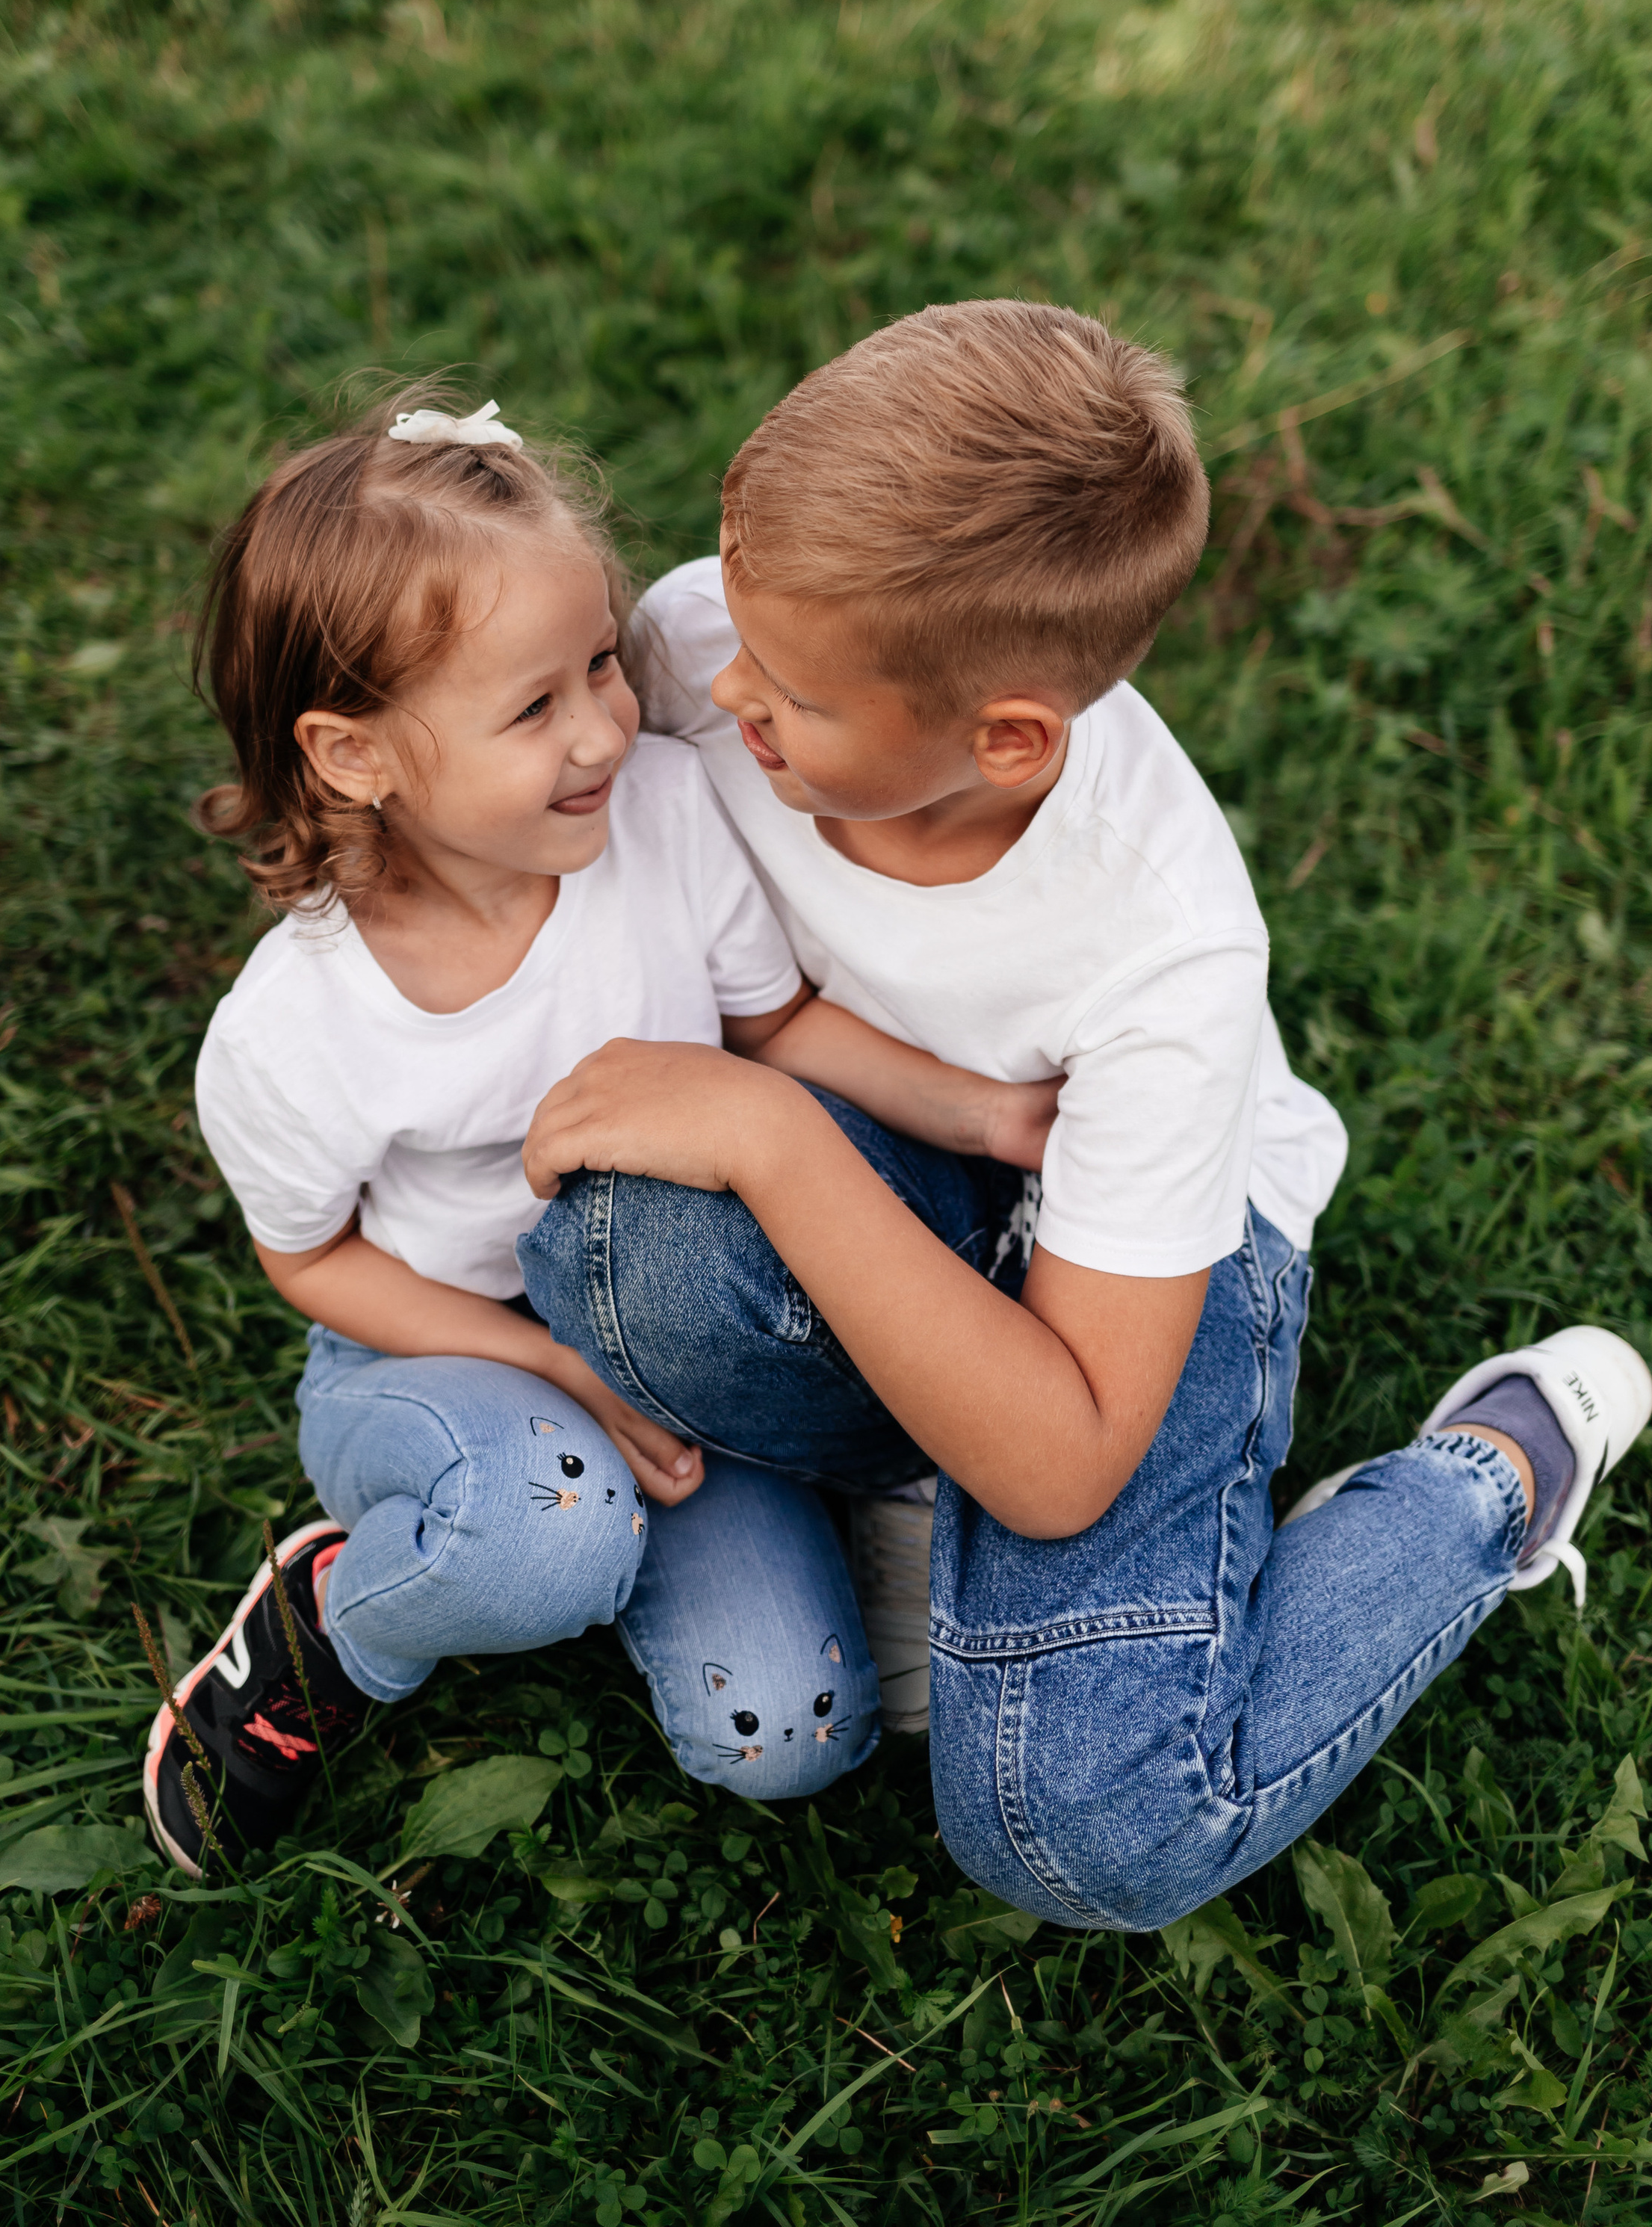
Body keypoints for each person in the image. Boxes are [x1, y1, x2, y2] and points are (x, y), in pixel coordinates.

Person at [518, 300, 1652, 1930]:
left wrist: (758, 1126)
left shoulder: (1162, 952)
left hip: (1143, 1259)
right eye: (731, 628)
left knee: (1086, 1830)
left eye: (792, 693)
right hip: (928, 1144)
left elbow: (1058, 1464)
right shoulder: (737, 640)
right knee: (622, 1257)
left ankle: (1479, 1487)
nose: (717, 683)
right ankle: (939, 1483)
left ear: (1005, 740)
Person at [144, 383, 1059, 1876]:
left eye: (598, 667)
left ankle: (656, 1536)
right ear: (354, 755)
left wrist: (982, 1110)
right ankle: (344, 1623)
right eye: (533, 707)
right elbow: (309, 1261)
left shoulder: (663, 812)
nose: (602, 731)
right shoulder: (294, 1030)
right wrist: (552, 1365)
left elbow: (772, 1031)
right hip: (432, 1345)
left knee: (791, 1732)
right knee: (551, 1520)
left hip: (665, 1335)